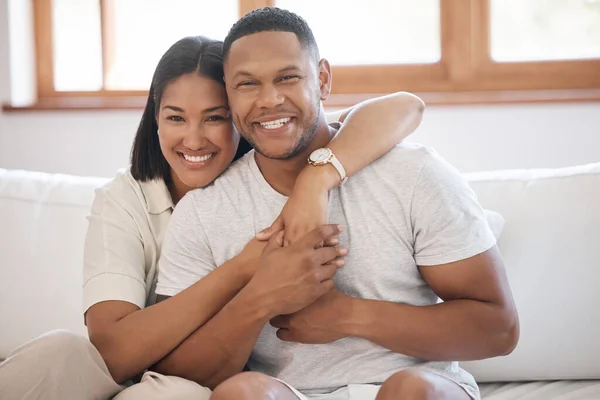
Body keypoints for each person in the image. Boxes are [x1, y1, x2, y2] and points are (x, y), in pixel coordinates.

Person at [0, 34, 425, 400]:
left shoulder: (278, 171)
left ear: (241, 115)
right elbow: (110, 350)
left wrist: (316, 179)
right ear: (155, 119)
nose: (193, 138)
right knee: (59, 350)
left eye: (215, 118)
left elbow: (404, 106)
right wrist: (245, 267)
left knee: (179, 391)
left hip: (192, 380)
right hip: (122, 371)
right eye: (175, 118)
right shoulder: (125, 199)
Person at [154, 8, 520, 400]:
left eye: (287, 77)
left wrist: (347, 315)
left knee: (412, 390)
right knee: (243, 393)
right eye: (247, 84)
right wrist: (260, 299)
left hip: (415, 387)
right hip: (288, 393)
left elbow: (498, 330)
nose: (270, 99)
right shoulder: (205, 211)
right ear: (227, 94)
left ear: (323, 79)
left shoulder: (414, 175)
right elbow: (175, 371)